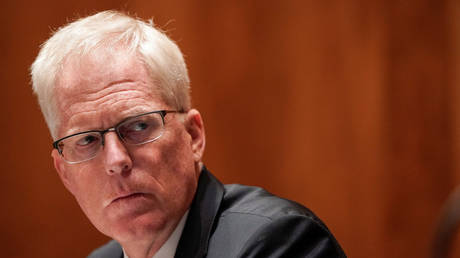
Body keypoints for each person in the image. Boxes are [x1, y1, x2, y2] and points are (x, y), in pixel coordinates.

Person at [30, 10, 346, 258]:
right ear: (64, 173)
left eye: (139, 126)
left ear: (193, 136)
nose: (116, 160)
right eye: (87, 140)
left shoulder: (278, 243)